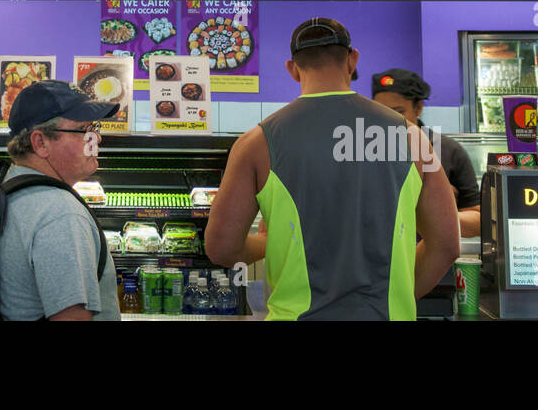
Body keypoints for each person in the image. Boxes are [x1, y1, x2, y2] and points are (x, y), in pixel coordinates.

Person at [205, 18, 460, 320]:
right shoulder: (411, 137)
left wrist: (264, 241)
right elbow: (446, 244)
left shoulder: (256, 143)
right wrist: (398, 294)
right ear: (352, 60)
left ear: (292, 69)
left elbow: (221, 248)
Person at [0, 80, 121, 321]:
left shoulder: (9, 190)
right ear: (40, 142)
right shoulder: (59, 214)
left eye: (95, 127)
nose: (97, 139)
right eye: (84, 129)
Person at [372, 67, 481, 238]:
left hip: (432, 259)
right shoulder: (362, 151)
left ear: (418, 108)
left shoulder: (449, 151)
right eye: (380, 112)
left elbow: (477, 221)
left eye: (398, 112)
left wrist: (435, 213)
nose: (388, 121)